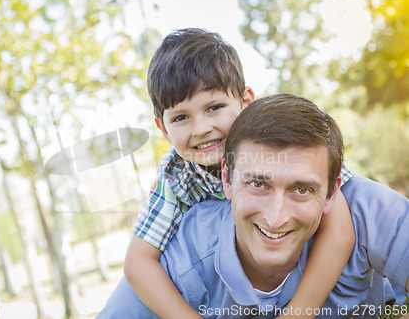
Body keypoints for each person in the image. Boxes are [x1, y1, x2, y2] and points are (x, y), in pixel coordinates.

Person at [99, 94, 409, 318]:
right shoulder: (187, 248)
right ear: (227, 180)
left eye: (302, 189)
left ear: (331, 192)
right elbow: (138, 264)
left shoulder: (364, 208)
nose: (275, 218)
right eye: (258, 184)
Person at [123, 28, 355, 318]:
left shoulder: (283, 138)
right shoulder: (175, 176)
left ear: (245, 102)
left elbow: (340, 230)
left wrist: (298, 313)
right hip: (227, 290)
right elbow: (138, 262)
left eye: (214, 107)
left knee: (364, 200)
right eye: (181, 117)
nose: (201, 129)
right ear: (163, 129)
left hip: (302, 280)